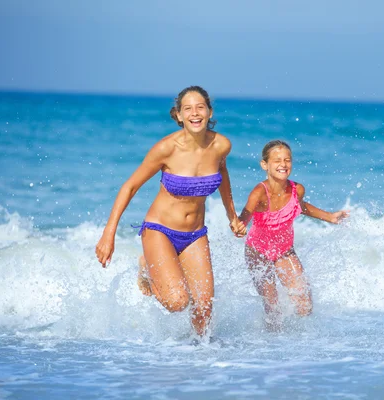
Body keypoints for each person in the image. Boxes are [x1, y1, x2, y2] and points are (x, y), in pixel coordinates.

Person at [95, 85, 245, 338]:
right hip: (160, 230)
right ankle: (146, 268)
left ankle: (198, 363)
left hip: (195, 234)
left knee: (204, 311)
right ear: (178, 115)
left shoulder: (221, 145)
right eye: (188, 109)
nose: (195, 113)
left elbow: (223, 175)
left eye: (200, 107)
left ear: (209, 112)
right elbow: (130, 186)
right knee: (177, 302)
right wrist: (108, 234)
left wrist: (233, 216)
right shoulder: (167, 148)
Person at [238, 140, 349, 330]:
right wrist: (239, 225)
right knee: (272, 308)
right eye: (277, 160)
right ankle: (271, 343)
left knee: (304, 304)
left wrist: (329, 217)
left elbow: (301, 207)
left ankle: (298, 344)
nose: (283, 164)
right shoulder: (260, 192)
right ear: (265, 165)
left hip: (284, 251)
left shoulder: (297, 189)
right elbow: (246, 214)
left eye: (287, 160)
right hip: (258, 252)